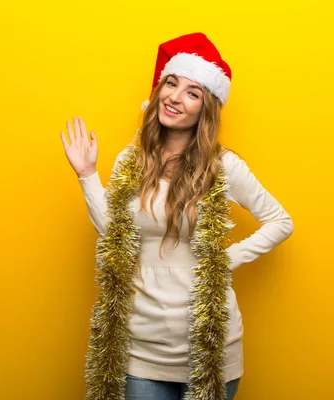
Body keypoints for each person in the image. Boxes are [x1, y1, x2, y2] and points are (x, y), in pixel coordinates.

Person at [60, 32, 294, 400]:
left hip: (208, 347)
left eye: (192, 92)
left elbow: (281, 221)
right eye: (172, 83)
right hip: (141, 346)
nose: (175, 97)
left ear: (206, 108)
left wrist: (225, 260)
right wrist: (87, 175)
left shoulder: (223, 167)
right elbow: (113, 232)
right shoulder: (132, 159)